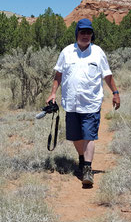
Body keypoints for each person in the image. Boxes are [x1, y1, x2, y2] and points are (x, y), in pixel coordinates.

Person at [46, 18, 120, 188]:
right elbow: (58, 75)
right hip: (71, 102)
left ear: (92, 35)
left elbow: (107, 75)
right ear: (77, 33)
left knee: (88, 135)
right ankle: (82, 158)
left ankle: (87, 169)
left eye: (89, 32)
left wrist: (115, 93)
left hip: (91, 102)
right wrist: (52, 94)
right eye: (82, 32)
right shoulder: (66, 52)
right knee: (75, 137)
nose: (86, 35)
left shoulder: (98, 52)